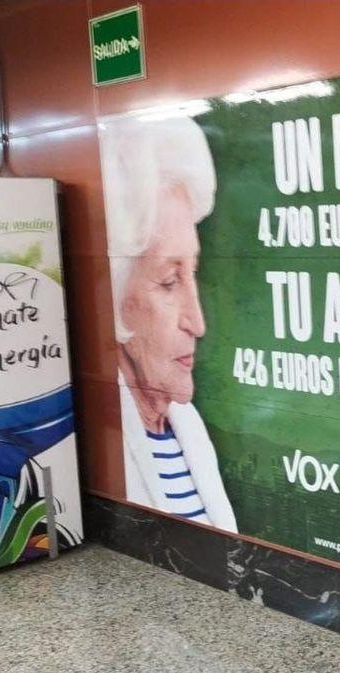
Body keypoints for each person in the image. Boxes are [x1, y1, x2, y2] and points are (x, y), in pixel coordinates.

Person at [99, 116, 237, 533]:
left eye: (191, 273)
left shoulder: (186, 425)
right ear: (113, 296)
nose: (198, 322)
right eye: (168, 280)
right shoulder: (104, 440)